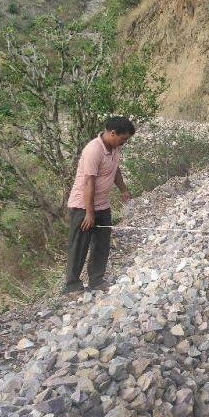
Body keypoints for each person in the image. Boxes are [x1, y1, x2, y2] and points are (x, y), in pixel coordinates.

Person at [63, 116, 135, 295]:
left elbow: (115, 169)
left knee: (102, 244)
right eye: (123, 138)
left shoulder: (115, 147)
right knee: (79, 245)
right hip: (83, 205)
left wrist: (123, 189)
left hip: (102, 204)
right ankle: (72, 286)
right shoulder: (93, 150)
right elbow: (88, 182)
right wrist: (89, 213)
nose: (124, 142)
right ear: (113, 133)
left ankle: (96, 280)